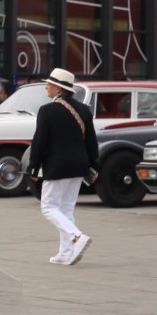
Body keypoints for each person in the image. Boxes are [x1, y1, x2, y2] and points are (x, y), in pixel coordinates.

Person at [28, 67, 101, 267]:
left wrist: (33, 168)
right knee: (66, 210)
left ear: (58, 89)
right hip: (80, 166)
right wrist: (94, 165)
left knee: (48, 207)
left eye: (49, 85)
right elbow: (91, 141)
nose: (46, 88)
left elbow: (39, 142)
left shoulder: (47, 110)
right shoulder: (84, 110)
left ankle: (77, 236)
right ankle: (65, 253)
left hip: (57, 166)